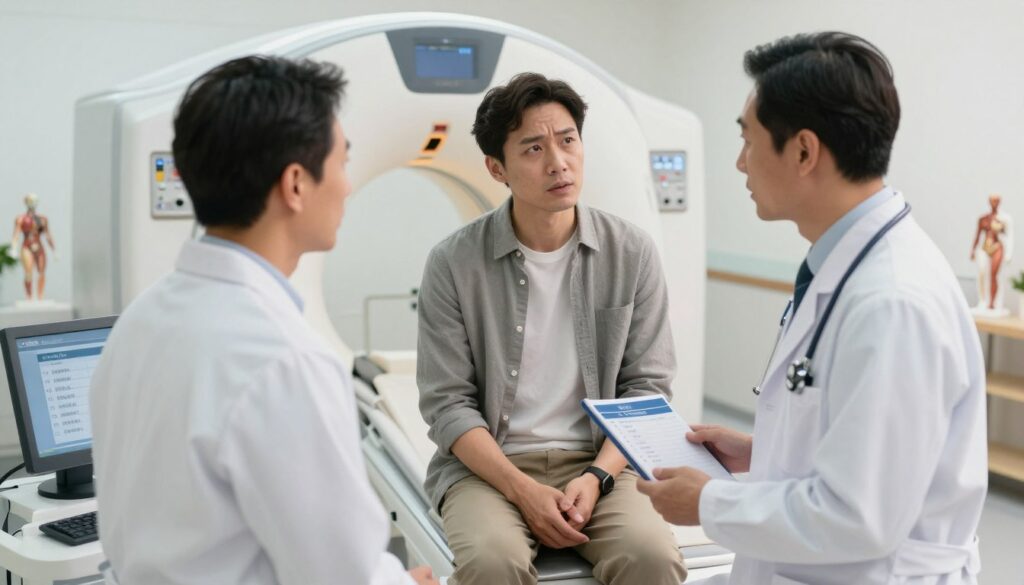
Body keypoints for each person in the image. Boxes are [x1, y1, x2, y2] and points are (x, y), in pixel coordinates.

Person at [637, 32, 987, 585]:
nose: (739, 162)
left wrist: (709, 503)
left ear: (803, 151)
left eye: (748, 140)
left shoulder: (892, 303)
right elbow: (863, 443)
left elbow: (860, 517)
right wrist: (764, 451)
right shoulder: (846, 266)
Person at [90, 56, 436, 585]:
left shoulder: (138, 321)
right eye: (343, 162)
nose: (346, 186)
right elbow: (340, 576)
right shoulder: (286, 360)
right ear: (296, 184)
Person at [417, 72, 686, 585]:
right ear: (497, 168)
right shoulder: (453, 263)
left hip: (602, 460)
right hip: (489, 471)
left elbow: (647, 388)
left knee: (651, 557)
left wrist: (597, 475)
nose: (558, 162)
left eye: (567, 141)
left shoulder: (631, 252)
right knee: (493, 564)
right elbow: (447, 404)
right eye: (533, 148)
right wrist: (522, 490)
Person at [970, 193, 1014, 313]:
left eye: (996, 200)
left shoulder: (1004, 219)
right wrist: (973, 250)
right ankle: (982, 300)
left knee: (994, 274)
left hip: (997, 245)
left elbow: (1010, 236)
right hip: (985, 246)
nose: (994, 202)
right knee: (982, 273)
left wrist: (1009, 253)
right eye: (992, 200)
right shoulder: (983, 219)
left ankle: (993, 303)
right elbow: (978, 236)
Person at [10, 192, 56, 300]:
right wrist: (13, 248)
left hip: (39, 246)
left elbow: (47, 235)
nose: (33, 203)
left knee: (41, 272)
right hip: (27, 246)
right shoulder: (20, 219)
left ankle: (40, 296)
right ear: (26, 202)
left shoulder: (43, 219)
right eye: (31, 201)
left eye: (35, 201)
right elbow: (16, 234)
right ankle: (29, 296)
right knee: (28, 272)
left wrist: (54, 250)